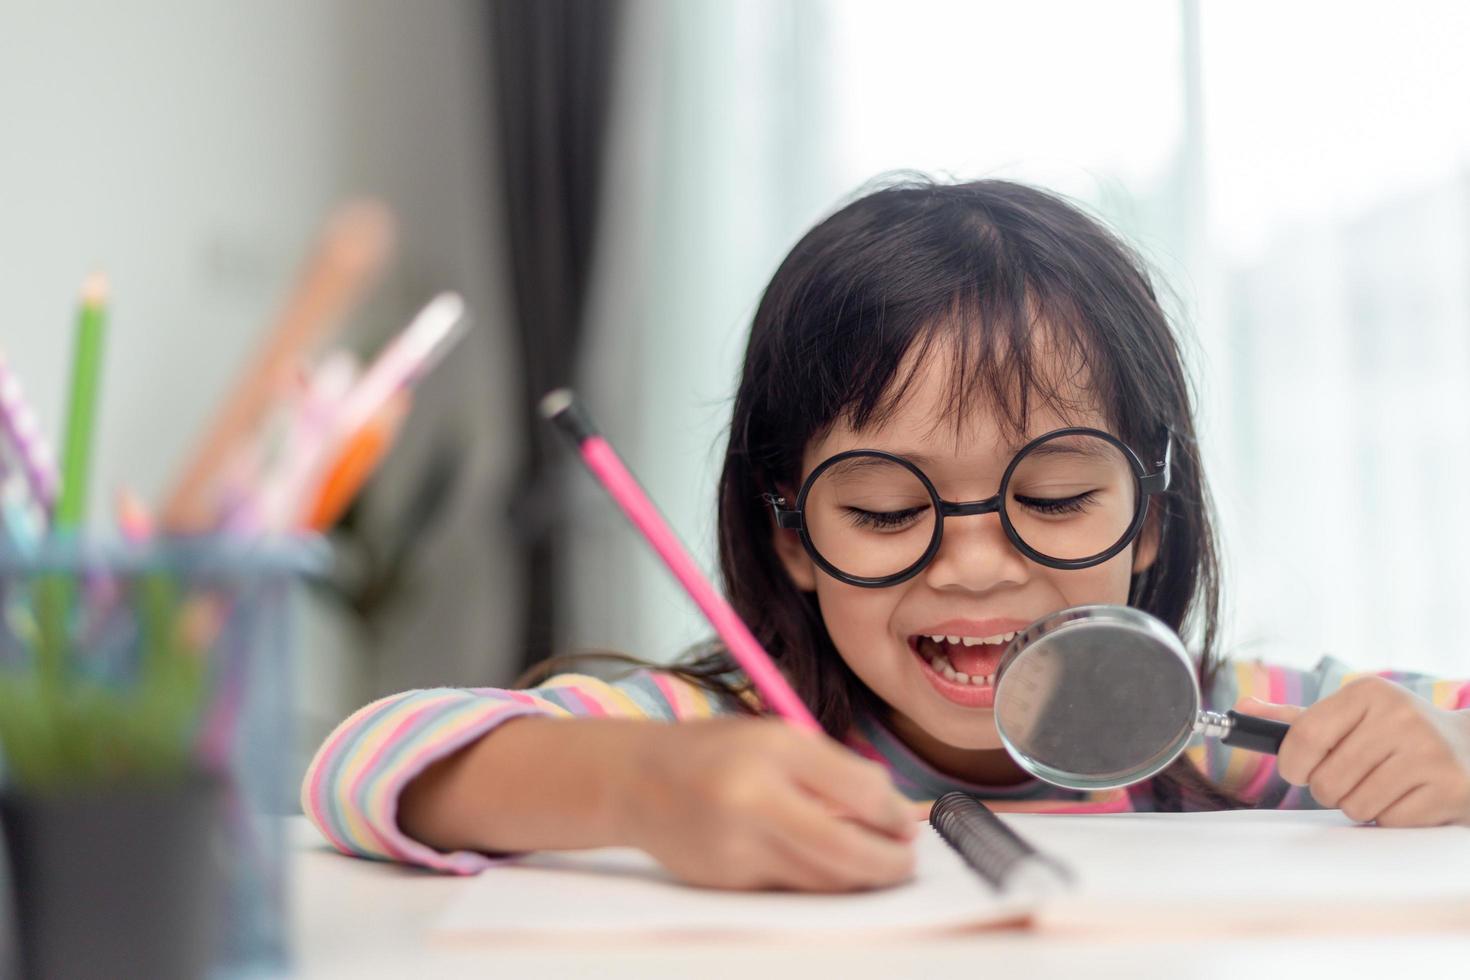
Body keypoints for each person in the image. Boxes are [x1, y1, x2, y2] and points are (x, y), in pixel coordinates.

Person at [302, 178, 1470, 892]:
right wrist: (640, 788)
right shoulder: (728, 738)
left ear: (1150, 516)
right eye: (883, 509)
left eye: (1057, 499)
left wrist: (1447, 762)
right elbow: (356, 763)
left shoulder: (1212, 717)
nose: (972, 562)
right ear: (794, 533)